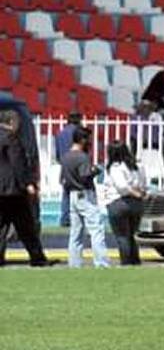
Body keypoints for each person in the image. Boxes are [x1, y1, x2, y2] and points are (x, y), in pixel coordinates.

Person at [0, 110, 52, 267]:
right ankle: (37, 258)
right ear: (11, 122)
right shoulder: (11, 138)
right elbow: (18, 163)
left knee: (2, 227)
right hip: (13, 191)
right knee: (26, 227)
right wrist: (29, 183)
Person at [60, 127, 110, 268]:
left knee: (75, 232)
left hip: (72, 195)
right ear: (82, 140)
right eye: (88, 139)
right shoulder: (82, 157)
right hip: (85, 194)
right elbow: (84, 175)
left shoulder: (65, 156)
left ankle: (74, 263)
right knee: (96, 229)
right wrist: (96, 170)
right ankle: (101, 262)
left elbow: (63, 179)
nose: (90, 142)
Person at [100, 141, 147, 266]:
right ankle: (135, 261)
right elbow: (143, 184)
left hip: (119, 202)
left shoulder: (115, 167)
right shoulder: (137, 166)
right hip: (136, 204)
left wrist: (133, 192)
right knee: (132, 235)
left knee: (122, 236)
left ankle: (126, 262)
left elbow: (122, 186)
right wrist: (139, 193)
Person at [54, 112, 82, 227]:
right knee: (80, 192)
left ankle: (65, 219)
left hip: (65, 165)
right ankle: (78, 218)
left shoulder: (60, 133)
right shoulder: (79, 133)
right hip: (78, 164)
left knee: (66, 193)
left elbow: (57, 154)